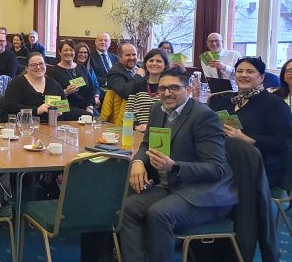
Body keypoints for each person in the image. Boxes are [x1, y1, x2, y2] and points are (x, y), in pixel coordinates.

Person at [121, 68, 237, 262]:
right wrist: (139, 161)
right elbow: (147, 144)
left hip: (206, 193)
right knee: (128, 207)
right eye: (162, 88)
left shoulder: (204, 116)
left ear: (188, 89)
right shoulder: (157, 109)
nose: (167, 93)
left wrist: (174, 166)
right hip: (173, 186)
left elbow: (217, 169)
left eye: (174, 87)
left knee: (159, 214)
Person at [208, 57, 292, 188]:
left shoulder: (274, 104)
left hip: (259, 167)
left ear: (262, 78)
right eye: (239, 71)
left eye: (250, 71)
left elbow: (284, 142)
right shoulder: (225, 101)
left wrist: (249, 139)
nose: (243, 75)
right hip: (224, 161)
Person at [2, 52, 91, 123]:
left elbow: (63, 107)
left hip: (51, 124)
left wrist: (60, 112)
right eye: (34, 65)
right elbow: (10, 107)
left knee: (88, 115)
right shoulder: (17, 83)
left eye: (41, 64)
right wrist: (37, 110)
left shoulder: (53, 83)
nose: (38, 67)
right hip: (25, 125)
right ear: (27, 68)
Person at [47, 39, 96, 115]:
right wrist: (65, 92)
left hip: (85, 107)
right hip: (65, 109)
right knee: (89, 116)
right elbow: (51, 99)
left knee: (101, 120)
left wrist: (90, 107)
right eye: (65, 50)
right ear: (60, 52)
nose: (69, 53)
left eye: (71, 50)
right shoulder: (53, 71)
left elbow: (91, 89)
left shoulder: (82, 68)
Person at [125, 49, 169, 132]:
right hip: (138, 131)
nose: (154, 63)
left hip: (161, 132)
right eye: (151, 60)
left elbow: (172, 114)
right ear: (146, 64)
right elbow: (128, 113)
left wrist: (150, 127)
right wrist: (136, 126)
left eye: (159, 61)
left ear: (165, 65)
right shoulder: (137, 85)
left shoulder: (169, 87)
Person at [74, 42, 101, 106]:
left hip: (91, 100)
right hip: (79, 101)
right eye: (80, 52)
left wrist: (96, 96)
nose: (83, 55)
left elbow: (96, 85)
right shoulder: (72, 69)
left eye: (85, 53)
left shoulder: (89, 68)